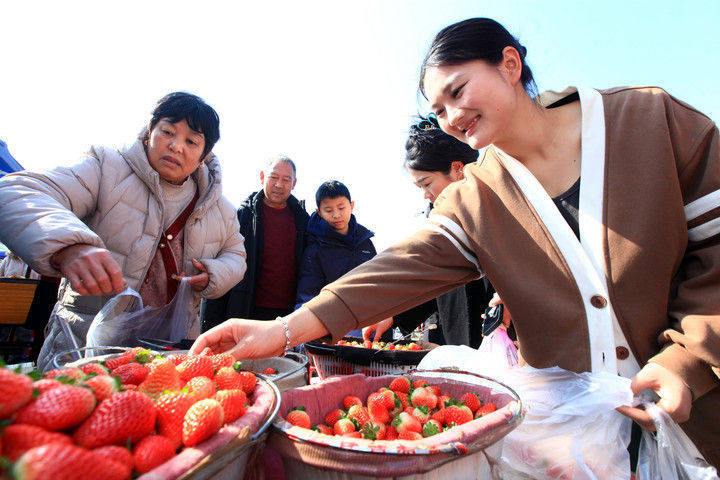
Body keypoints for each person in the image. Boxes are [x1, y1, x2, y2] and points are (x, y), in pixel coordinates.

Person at [191, 18, 720, 466]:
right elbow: (400, 268)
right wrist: (282, 330)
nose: (451, 117)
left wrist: (685, 362)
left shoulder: (650, 121)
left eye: (458, 90)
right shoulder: (477, 196)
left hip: (698, 427)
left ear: (509, 64)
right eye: (439, 109)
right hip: (576, 448)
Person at [0, 91, 246, 370]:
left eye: (191, 141)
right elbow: (14, 192)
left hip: (168, 357)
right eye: (167, 132)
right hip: (83, 347)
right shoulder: (105, 168)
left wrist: (213, 274)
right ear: (149, 132)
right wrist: (69, 245)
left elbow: (236, 256)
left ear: (203, 155)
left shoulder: (218, 207)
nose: (176, 146)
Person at [363, 116, 496, 348]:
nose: (425, 194)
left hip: (501, 345)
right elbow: (434, 282)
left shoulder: (499, 210)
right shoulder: (436, 220)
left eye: (426, 184)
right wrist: (394, 315)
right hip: (454, 346)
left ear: (457, 169)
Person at [201, 155, 309, 327]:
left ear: (294, 183)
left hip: (289, 317)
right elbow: (220, 269)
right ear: (262, 177)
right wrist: (209, 324)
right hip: (246, 310)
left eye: (286, 180)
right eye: (274, 177)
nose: (279, 184)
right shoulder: (241, 216)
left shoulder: (303, 221)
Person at [295, 180, 385, 338]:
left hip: (372, 326)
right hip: (337, 331)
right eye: (329, 210)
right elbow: (307, 297)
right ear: (319, 212)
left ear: (352, 205)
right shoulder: (315, 249)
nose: (336, 215)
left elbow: (378, 285)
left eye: (341, 208)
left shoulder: (365, 241)